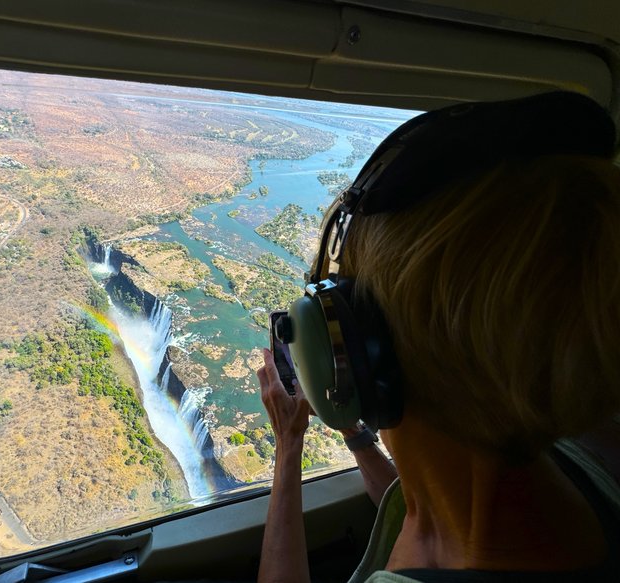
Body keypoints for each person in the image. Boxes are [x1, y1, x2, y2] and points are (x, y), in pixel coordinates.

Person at [256, 92, 620, 582]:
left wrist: (288, 447)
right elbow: (427, 504)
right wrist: (356, 433)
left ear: (358, 350)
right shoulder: (567, 459)